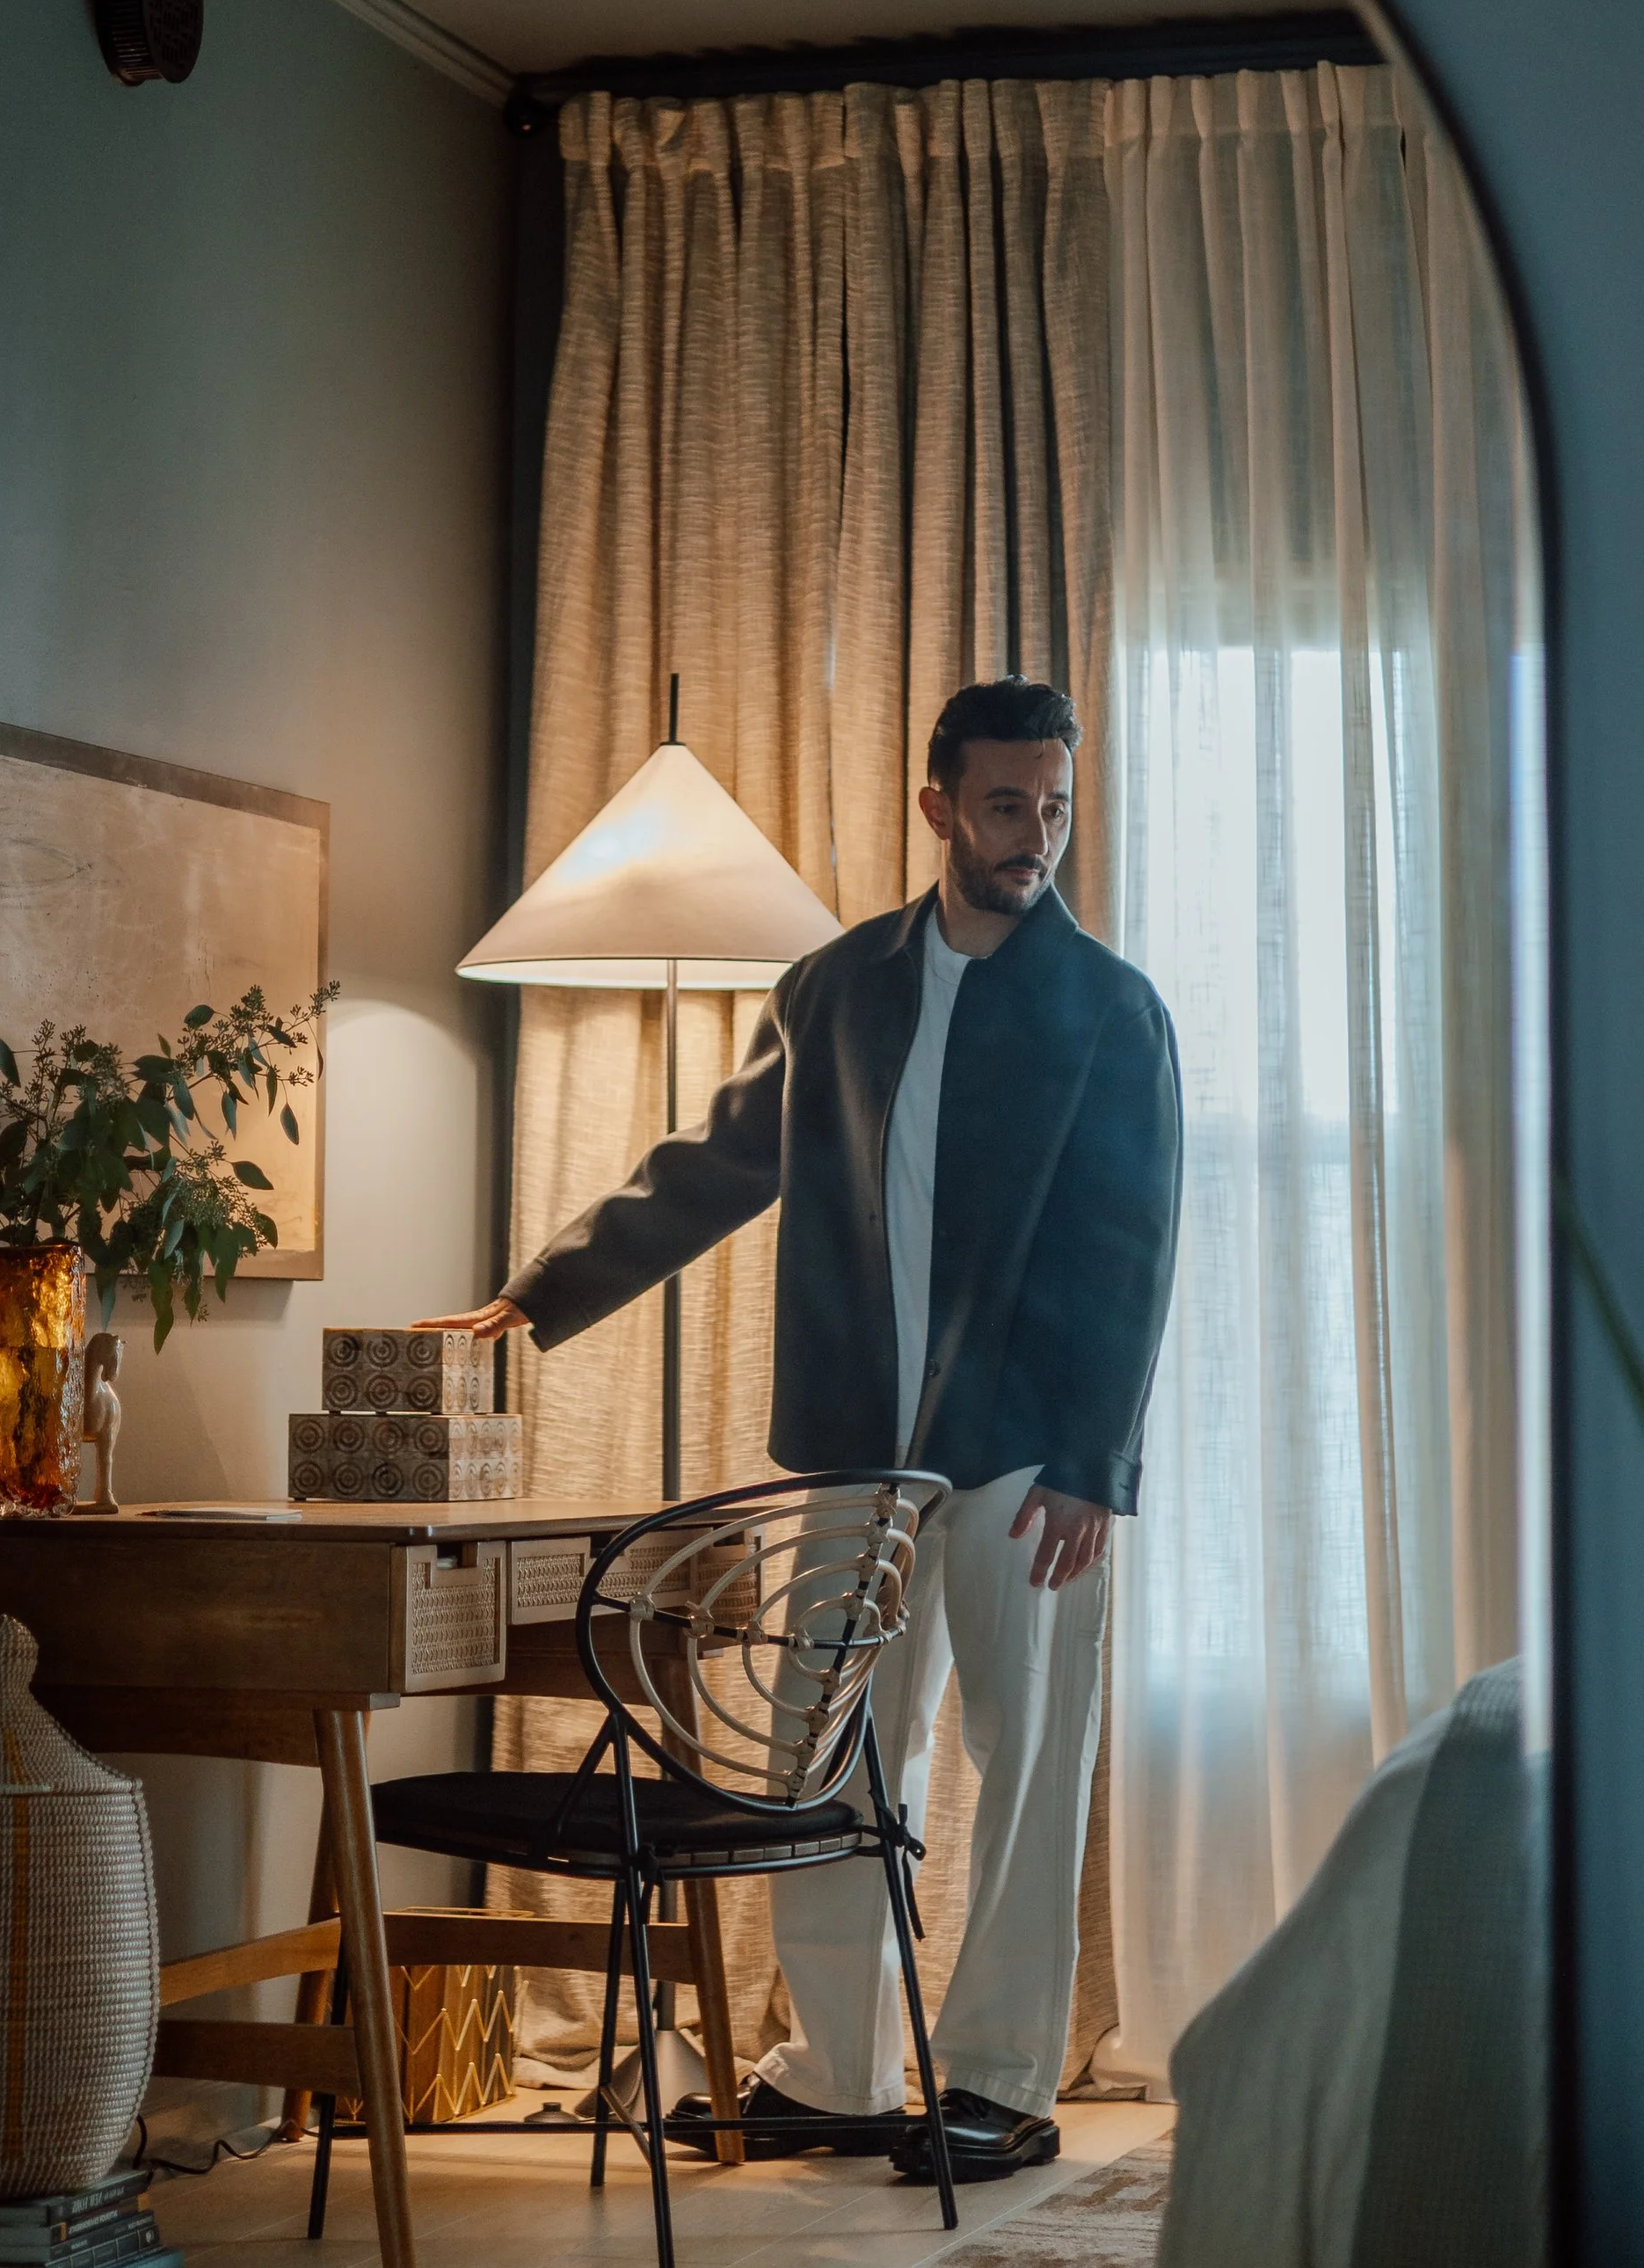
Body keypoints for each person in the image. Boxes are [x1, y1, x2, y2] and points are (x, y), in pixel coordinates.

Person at [424, 677, 1183, 2183]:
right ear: (936, 809)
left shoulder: (1111, 1009)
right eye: (1005, 805)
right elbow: (720, 1159)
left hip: (1032, 1453)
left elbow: (1135, 1241)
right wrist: (545, 1285)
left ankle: (1001, 2083)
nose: (1035, 836)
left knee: (1025, 1756)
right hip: (853, 1446)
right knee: (826, 1758)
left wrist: (1101, 1462)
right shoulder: (835, 986)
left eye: (1055, 804)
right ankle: (838, 2072)